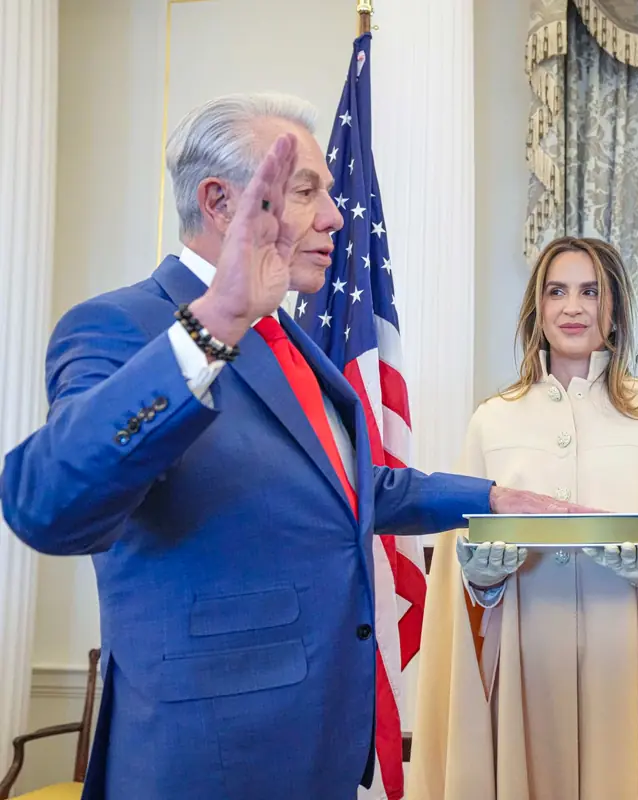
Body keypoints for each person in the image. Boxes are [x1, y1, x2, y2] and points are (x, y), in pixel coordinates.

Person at [0, 93, 585, 800]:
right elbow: (47, 504)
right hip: (205, 762)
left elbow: (349, 487)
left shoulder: (295, 345)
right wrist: (215, 323)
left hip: (322, 747)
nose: (335, 218)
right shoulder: (118, 325)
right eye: (306, 191)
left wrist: (490, 499)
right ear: (220, 203)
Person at [410, 236, 638, 800]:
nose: (573, 307)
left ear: (614, 307)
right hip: (523, 673)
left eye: (590, 291)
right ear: (536, 309)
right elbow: (459, 584)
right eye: (557, 291)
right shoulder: (491, 423)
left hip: (624, 677)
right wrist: (483, 580)